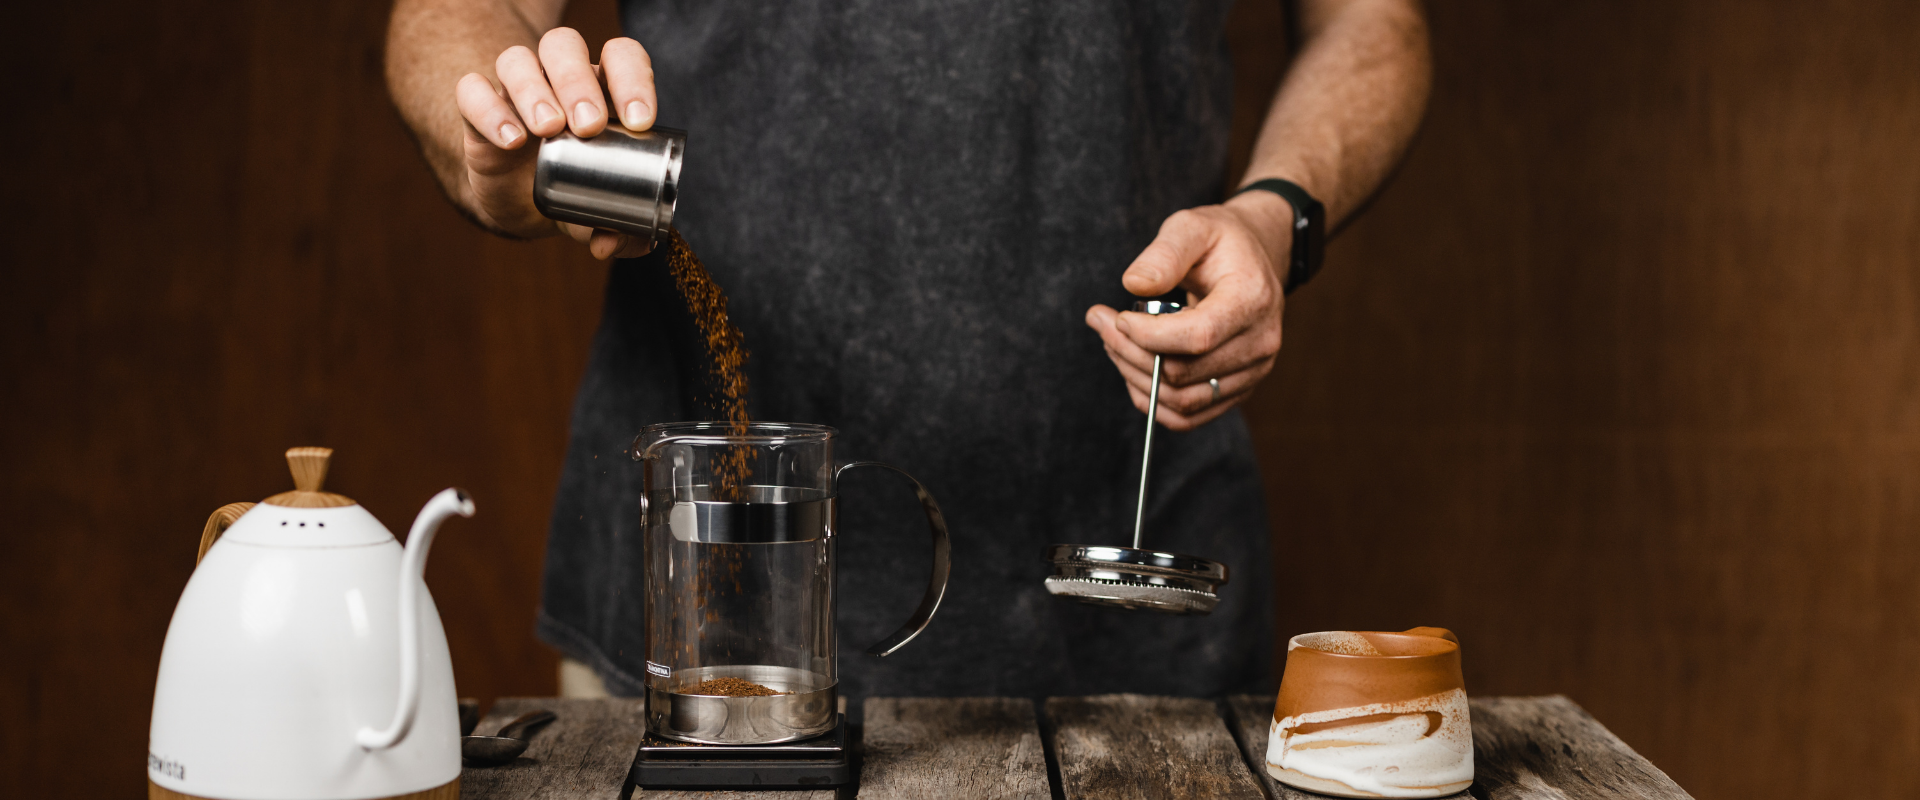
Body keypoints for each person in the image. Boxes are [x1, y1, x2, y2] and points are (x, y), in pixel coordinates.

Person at [387, 0, 1430, 699]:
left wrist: (1274, 213)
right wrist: (502, 125)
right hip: (709, 614)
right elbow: (447, 20)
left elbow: (1375, 26)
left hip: (1132, 592)